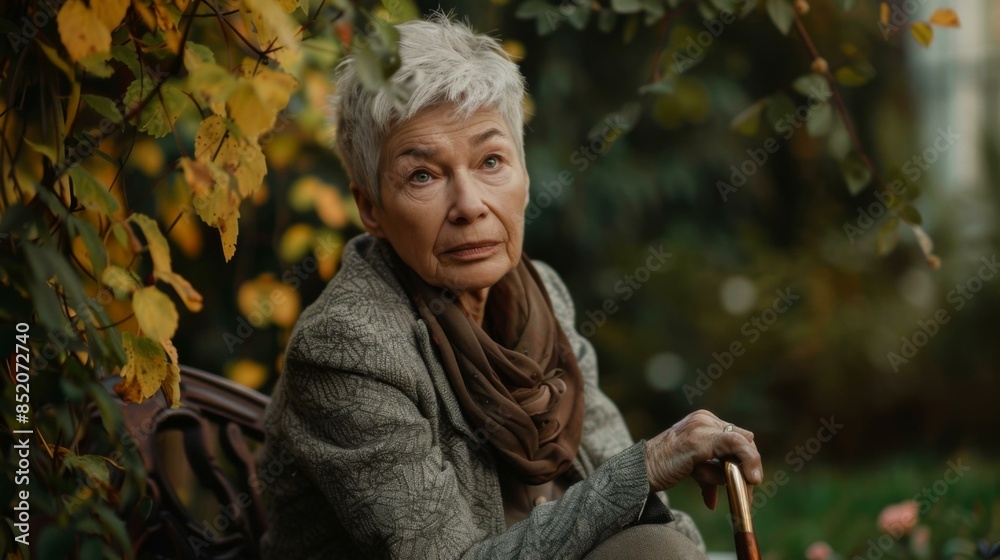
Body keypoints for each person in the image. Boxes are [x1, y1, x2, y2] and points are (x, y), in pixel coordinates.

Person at [257, 13, 763, 560]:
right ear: (371, 208)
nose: (470, 205)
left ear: (524, 174)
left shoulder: (541, 295)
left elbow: (626, 486)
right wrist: (647, 468)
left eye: (491, 160)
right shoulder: (345, 346)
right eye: (423, 175)